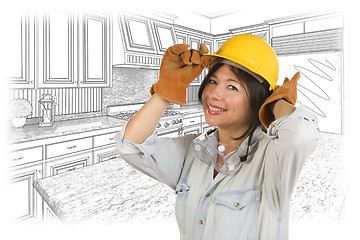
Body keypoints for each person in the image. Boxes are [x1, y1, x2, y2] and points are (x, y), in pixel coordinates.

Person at [114, 34, 320, 240]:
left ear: (260, 98)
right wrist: (165, 90)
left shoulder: (272, 158)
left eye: (232, 86)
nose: (213, 93)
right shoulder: (192, 151)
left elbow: (302, 136)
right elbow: (130, 146)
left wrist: (277, 103)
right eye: (212, 81)